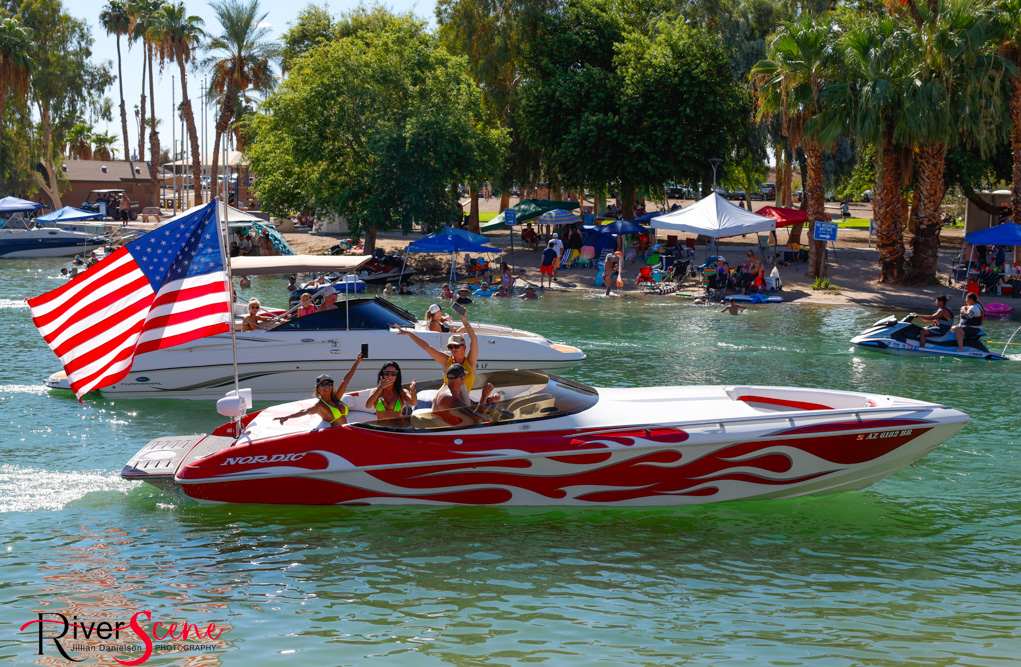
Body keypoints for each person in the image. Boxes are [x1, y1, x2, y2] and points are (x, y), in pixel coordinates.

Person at [397, 306, 480, 393]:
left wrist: (463, 320)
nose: (453, 349)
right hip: (444, 397)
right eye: (450, 347)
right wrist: (410, 334)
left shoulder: (470, 361)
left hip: (462, 399)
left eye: (456, 346)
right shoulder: (446, 360)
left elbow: (474, 339)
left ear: (464, 347)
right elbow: (427, 347)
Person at [275, 355, 363, 428]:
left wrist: (357, 362)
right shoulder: (319, 406)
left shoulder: (336, 398)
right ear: (317, 389)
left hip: (349, 432)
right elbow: (304, 411)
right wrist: (287, 417)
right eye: (323, 384)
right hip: (338, 436)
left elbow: (345, 380)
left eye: (329, 383)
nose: (327, 386)